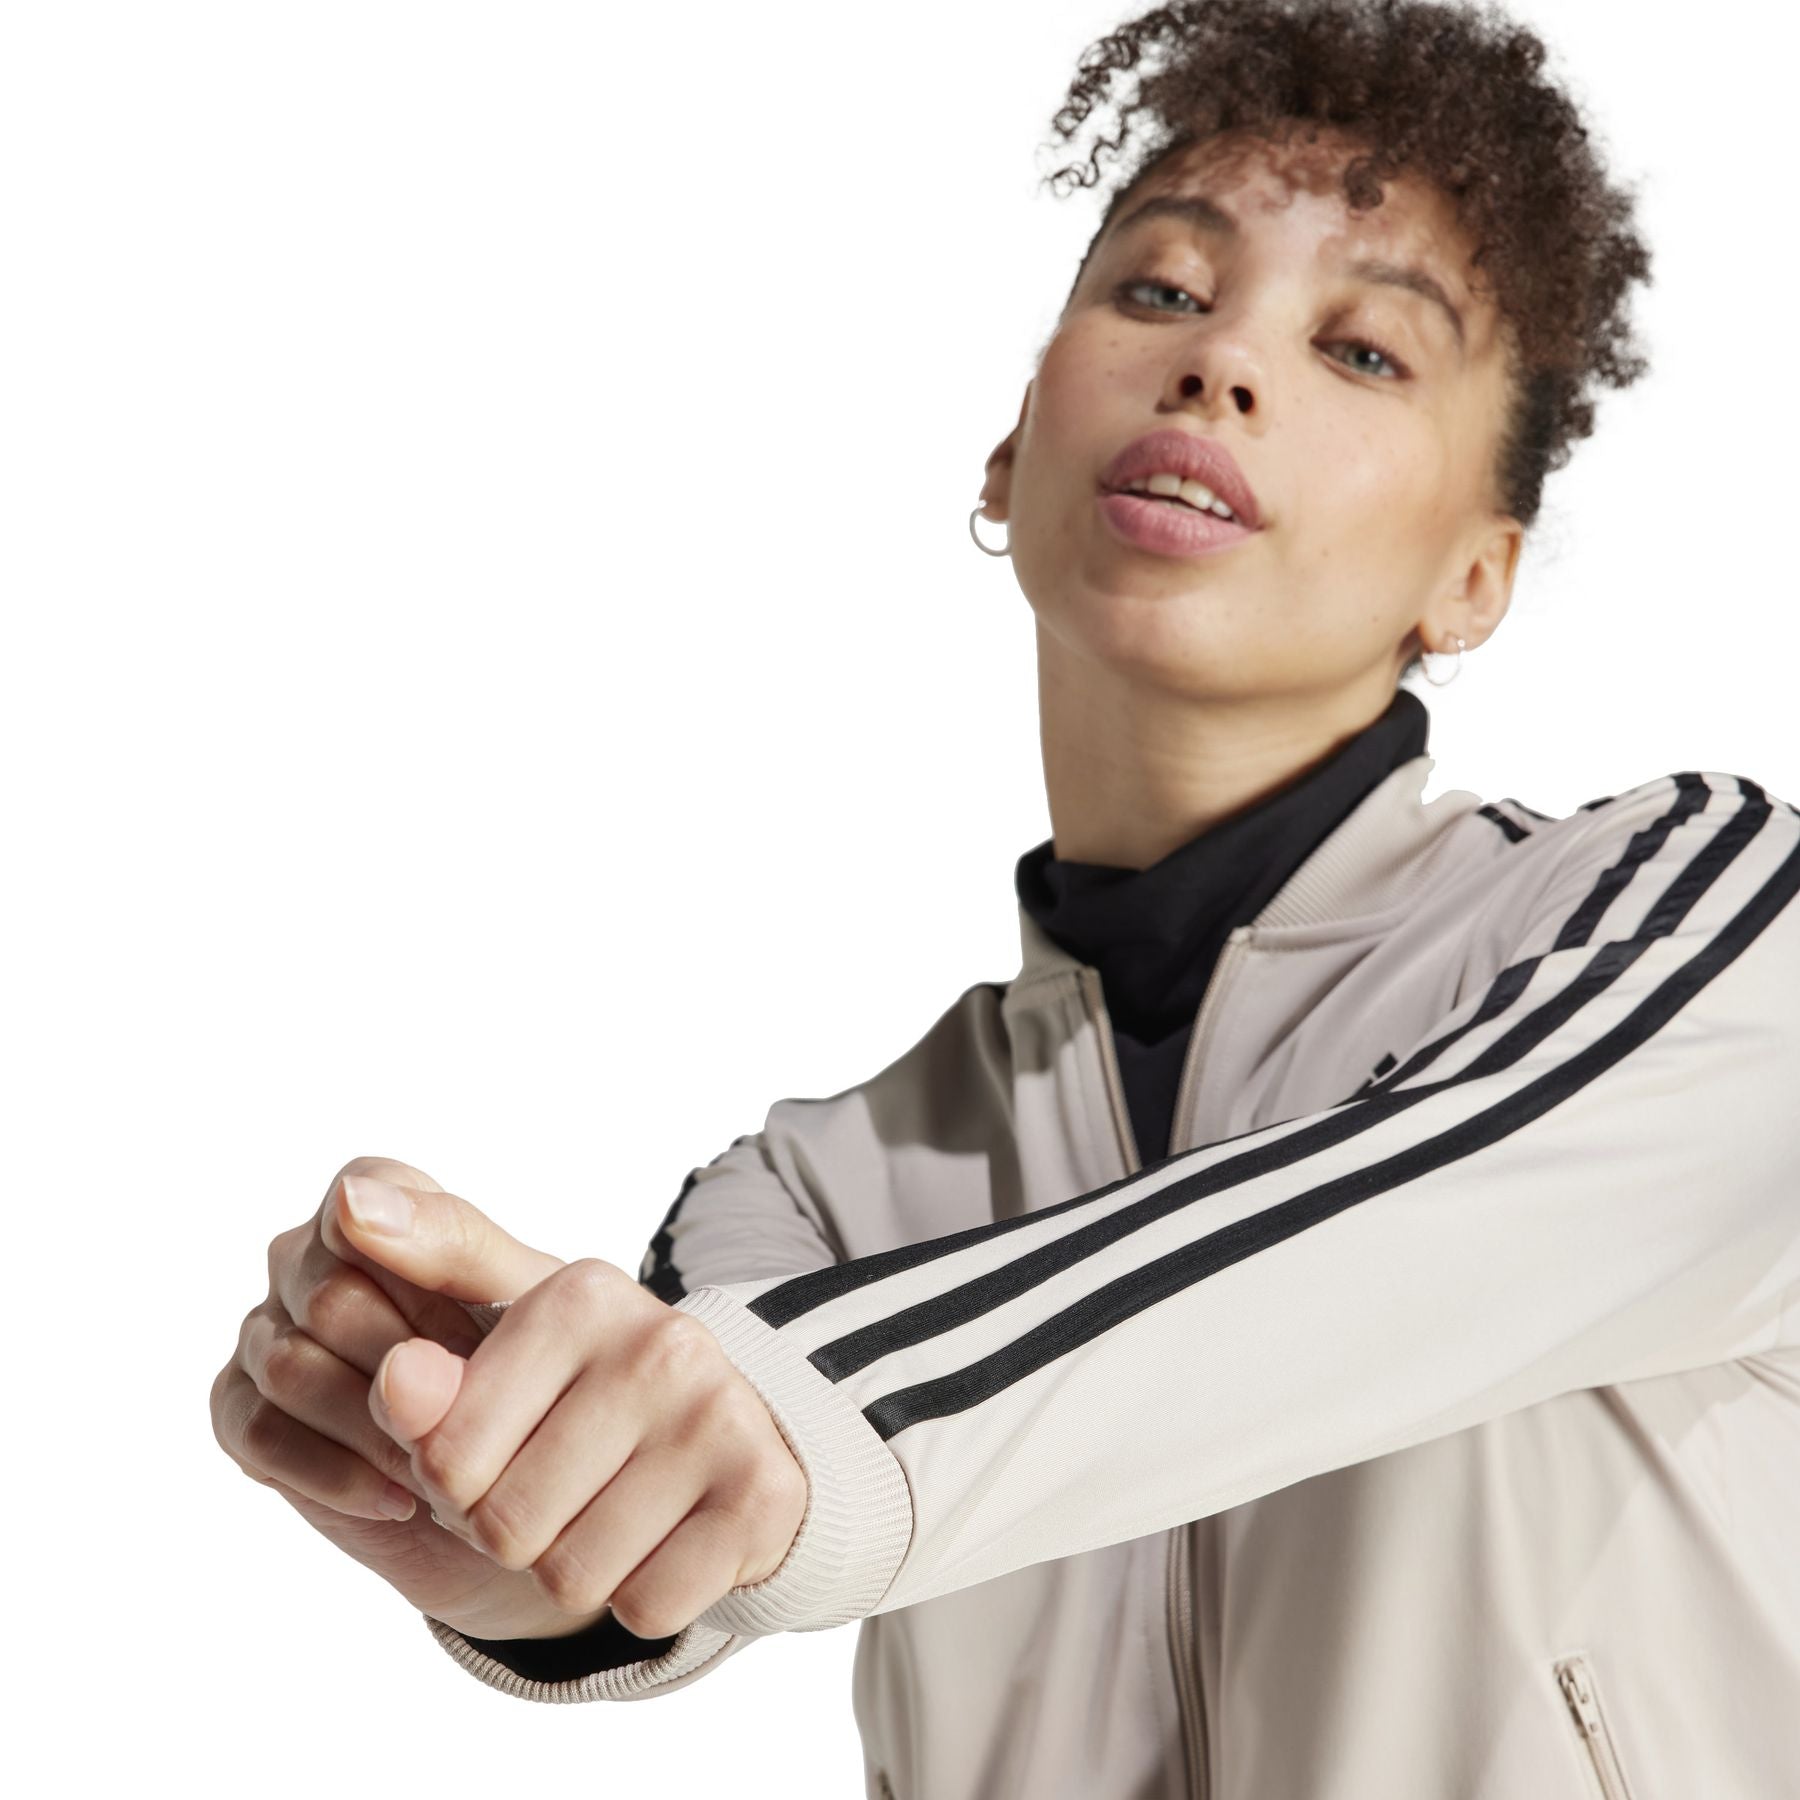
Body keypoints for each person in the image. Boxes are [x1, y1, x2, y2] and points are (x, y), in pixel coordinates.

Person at [212, 1, 1800, 1794]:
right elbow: (704, 1500)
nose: (1224, 364)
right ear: (1011, 447)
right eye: (1161, 292)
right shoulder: (815, 1184)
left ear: (1477, 577)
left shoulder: (1702, 925)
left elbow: (1409, 1217)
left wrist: (795, 1414)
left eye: (1362, 350)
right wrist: (519, 1513)